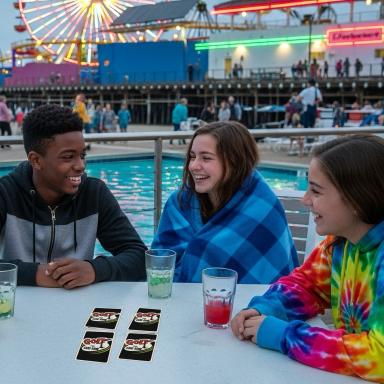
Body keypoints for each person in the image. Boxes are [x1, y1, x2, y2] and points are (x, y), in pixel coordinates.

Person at [231, 134, 384, 382]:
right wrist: (266, 307)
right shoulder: (342, 242)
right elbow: (307, 285)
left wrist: (285, 336)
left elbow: (379, 356)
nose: (305, 199)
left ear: (357, 197)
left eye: (316, 190)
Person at [0, 104, 147, 287]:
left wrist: (94, 269)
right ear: (36, 160)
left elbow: (139, 256)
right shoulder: (5, 193)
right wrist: (37, 273)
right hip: (15, 306)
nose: (81, 165)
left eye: (82, 155)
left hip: (79, 305)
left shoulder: (94, 193)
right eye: (68, 157)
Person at [152, 121, 299, 283]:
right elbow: (158, 264)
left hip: (252, 305)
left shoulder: (264, 209)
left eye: (206, 158)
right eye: (192, 157)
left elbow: (276, 286)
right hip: (176, 299)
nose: (193, 166)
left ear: (234, 162)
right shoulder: (180, 201)